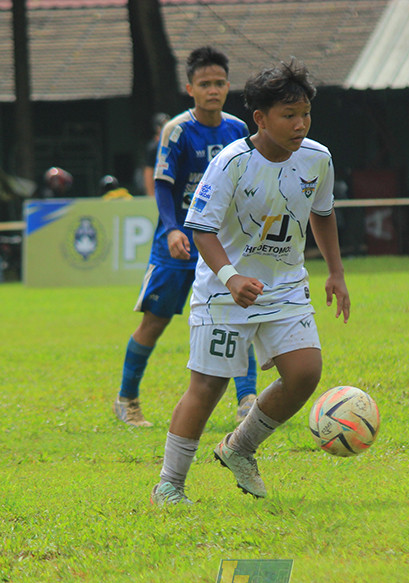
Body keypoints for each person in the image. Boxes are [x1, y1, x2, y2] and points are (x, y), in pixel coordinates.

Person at [150, 59, 350, 505]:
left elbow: (322, 212)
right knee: (208, 387)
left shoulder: (318, 158)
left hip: (284, 286)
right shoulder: (232, 163)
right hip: (225, 291)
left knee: (304, 373)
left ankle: (239, 449)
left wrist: (335, 272)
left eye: (305, 114)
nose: (300, 124)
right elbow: (201, 227)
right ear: (260, 119)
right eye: (288, 115)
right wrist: (230, 276)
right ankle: (169, 485)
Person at [115, 46, 256, 428]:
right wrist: (173, 228)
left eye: (219, 83)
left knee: (237, 314)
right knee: (155, 322)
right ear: (190, 88)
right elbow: (163, 186)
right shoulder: (176, 130)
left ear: (228, 86)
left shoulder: (237, 130)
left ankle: (248, 401)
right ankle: (127, 399)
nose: (213, 90)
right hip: (176, 244)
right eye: (205, 84)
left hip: (220, 242)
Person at [143, 112, 169, 196]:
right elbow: (149, 172)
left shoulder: (173, 144)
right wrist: (151, 195)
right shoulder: (154, 147)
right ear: (157, 128)